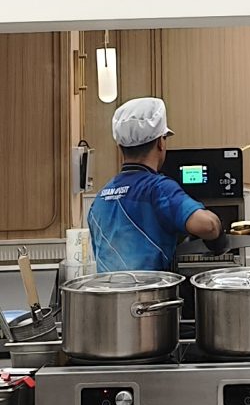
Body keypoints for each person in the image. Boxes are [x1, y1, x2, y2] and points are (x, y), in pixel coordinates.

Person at [85, 97, 227, 273]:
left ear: (120, 147)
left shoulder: (100, 199)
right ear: (160, 142)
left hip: (108, 290)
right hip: (151, 290)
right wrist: (219, 235)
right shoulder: (158, 189)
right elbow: (207, 226)